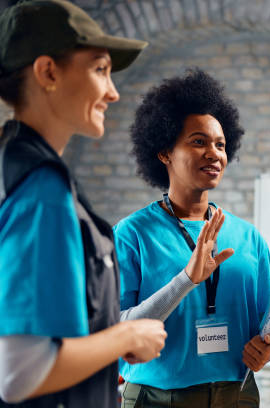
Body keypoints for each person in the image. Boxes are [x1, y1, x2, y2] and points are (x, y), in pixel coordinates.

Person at [0, 1, 169, 406]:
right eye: (99, 69)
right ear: (48, 72)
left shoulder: (13, 166)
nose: (112, 92)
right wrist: (127, 335)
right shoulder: (43, 192)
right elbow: (19, 372)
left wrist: (104, 347)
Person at [114, 68, 270, 407]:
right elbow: (117, 332)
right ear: (164, 153)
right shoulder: (132, 234)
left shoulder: (248, 237)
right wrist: (187, 279)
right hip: (157, 399)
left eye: (220, 144)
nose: (214, 153)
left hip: (238, 396)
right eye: (198, 142)